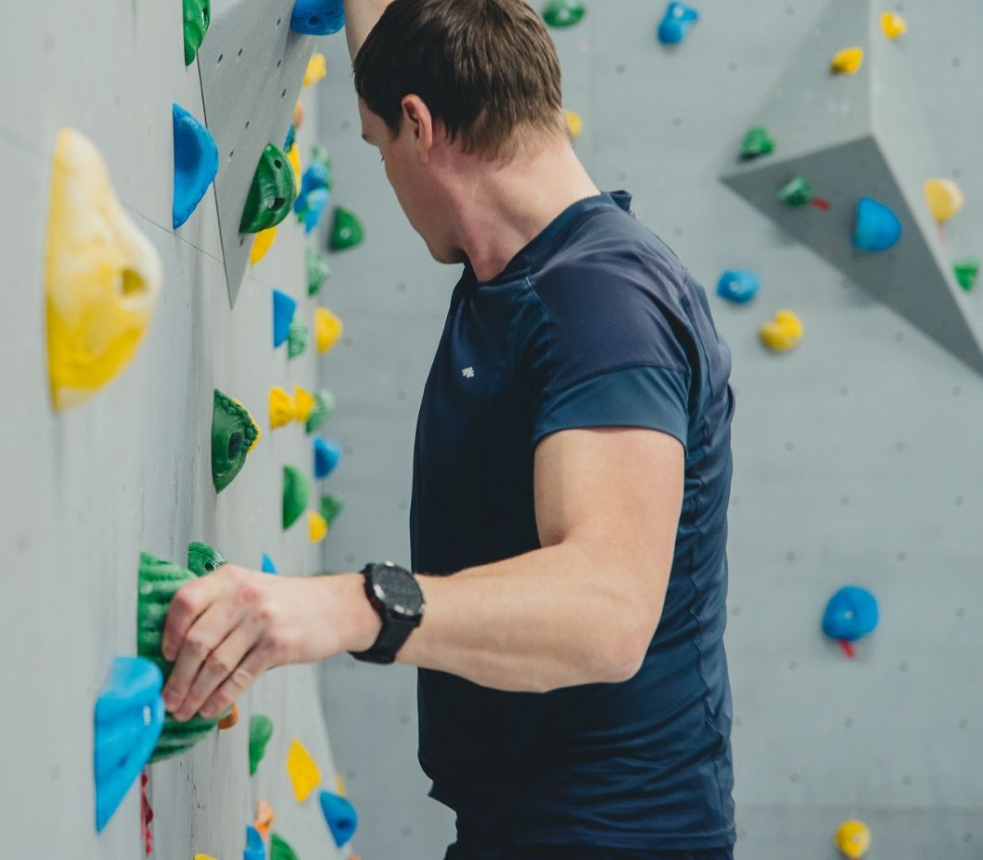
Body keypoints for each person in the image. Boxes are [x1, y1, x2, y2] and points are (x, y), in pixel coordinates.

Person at [158, 0, 736, 855]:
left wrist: (352, 608)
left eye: (377, 144)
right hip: (532, 827)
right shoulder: (525, 263)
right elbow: (401, 53)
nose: (385, 168)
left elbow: (608, 611)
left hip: (613, 838)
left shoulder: (602, 304)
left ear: (421, 126)